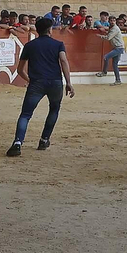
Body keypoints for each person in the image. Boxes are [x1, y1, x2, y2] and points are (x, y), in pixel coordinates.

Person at [7, 16, 75, 157]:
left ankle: (18, 143)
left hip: (37, 83)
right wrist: (68, 82)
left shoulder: (30, 45)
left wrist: (30, 80)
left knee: (25, 114)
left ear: (37, 30)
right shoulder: (58, 44)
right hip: (55, 82)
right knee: (54, 109)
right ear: (50, 30)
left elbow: (20, 70)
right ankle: (44, 140)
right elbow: (63, 61)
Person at [98, 19, 124, 83]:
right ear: (109, 21)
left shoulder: (114, 28)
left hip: (118, 48)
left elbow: (108, 38)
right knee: (115, 65)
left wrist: (100, 36)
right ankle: (118, 80)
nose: (112, 22)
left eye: (113, 21)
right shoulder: (112, 28)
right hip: (118, 47)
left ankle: (104, 72)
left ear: (115, 22)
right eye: (111, 21)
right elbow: (109, 32)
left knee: (106, 57)